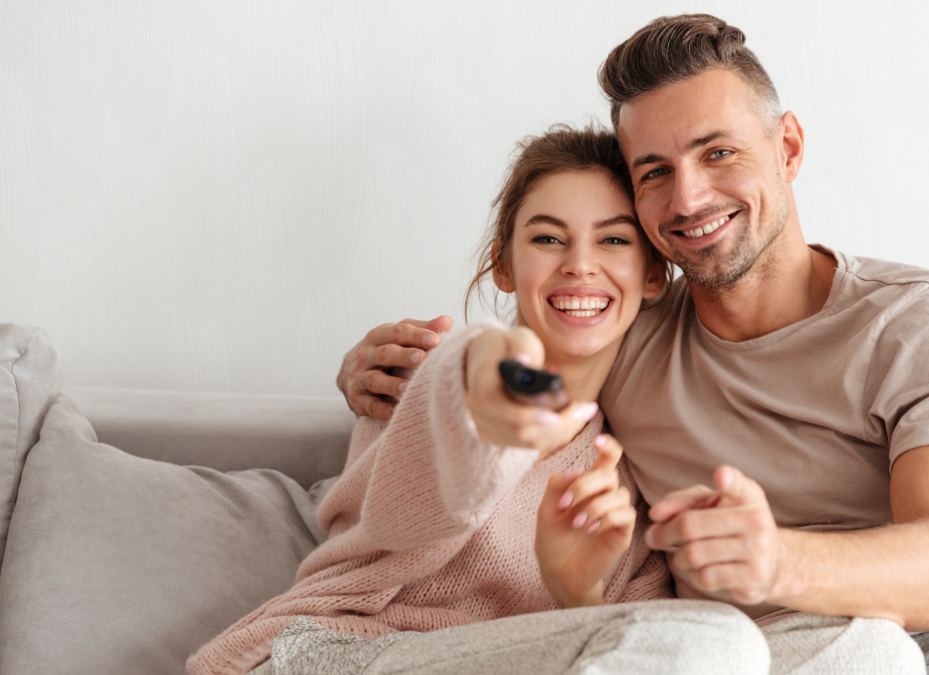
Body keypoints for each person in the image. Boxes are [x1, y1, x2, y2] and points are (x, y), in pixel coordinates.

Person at [338, 14, 929, 675]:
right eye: (654, 172)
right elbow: (512, 382)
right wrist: (383, 367)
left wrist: (774, 558)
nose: (688, 198)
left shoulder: (917, 320)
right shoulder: (629, 332)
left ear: (787, 146)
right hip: (743, 657)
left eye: (717, 153)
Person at [188, 126, 780, 675]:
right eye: (548, 238)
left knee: (703, 638)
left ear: (652, 275)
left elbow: (631, 644)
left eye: (614, 240)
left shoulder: (624, 479)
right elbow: (454, 417)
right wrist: (495, 391)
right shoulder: (416, 381)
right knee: (715, 638)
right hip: (326, 654)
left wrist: (576, 591)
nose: (579, 264)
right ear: (503, 264)